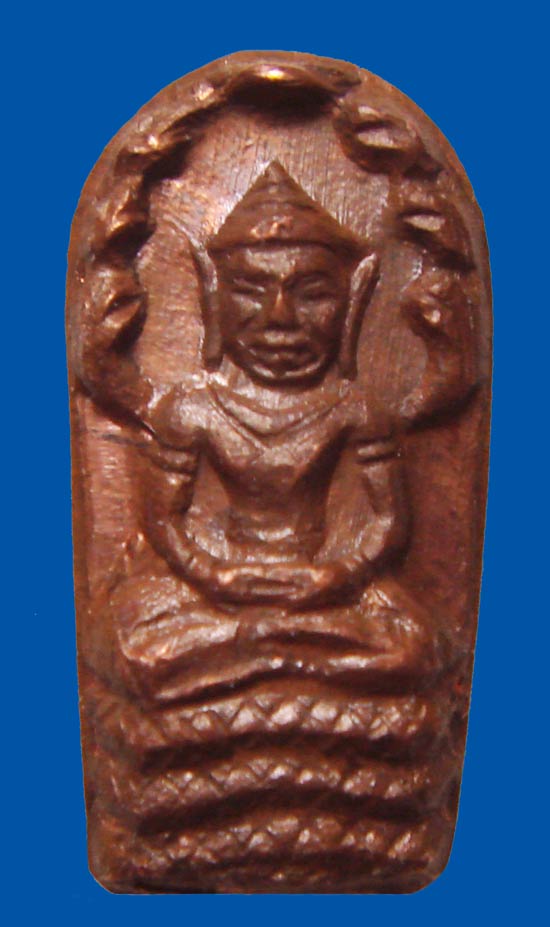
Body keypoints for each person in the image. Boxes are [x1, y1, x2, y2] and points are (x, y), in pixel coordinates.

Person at [83, 163, 457, 705]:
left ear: (353, 300)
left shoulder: (355, 411)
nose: (279, 317)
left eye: (312, 293)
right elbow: (164, 521)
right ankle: (291, 668)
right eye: (250, 290)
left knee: (416, 650)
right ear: (212, 295)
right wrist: (212, 576)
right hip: (216, 589)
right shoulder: (192, 411)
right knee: (130, 649)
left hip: (326, 592)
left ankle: (258, 666)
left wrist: (338, 576)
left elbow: (388, 522)